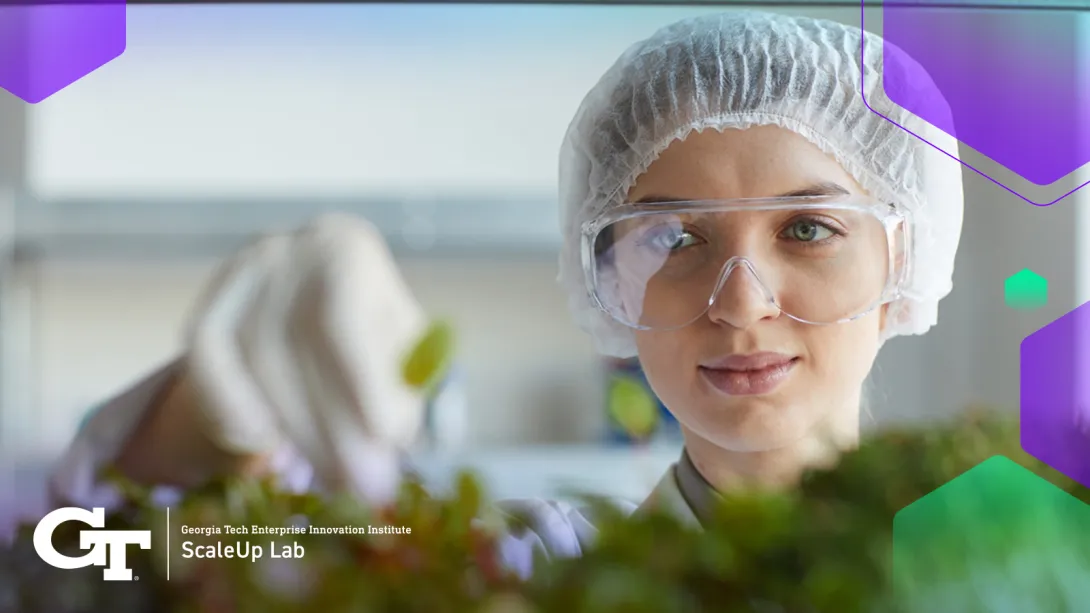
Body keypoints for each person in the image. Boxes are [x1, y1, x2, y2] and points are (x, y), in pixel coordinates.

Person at [48, 10, 963, 578]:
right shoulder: (531, 572)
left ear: (903, 263)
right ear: (607, 280)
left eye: (807, 228)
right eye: (675, 237)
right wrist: (205, 428)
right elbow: (99, 560)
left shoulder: (1023, 571)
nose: (740, 301)